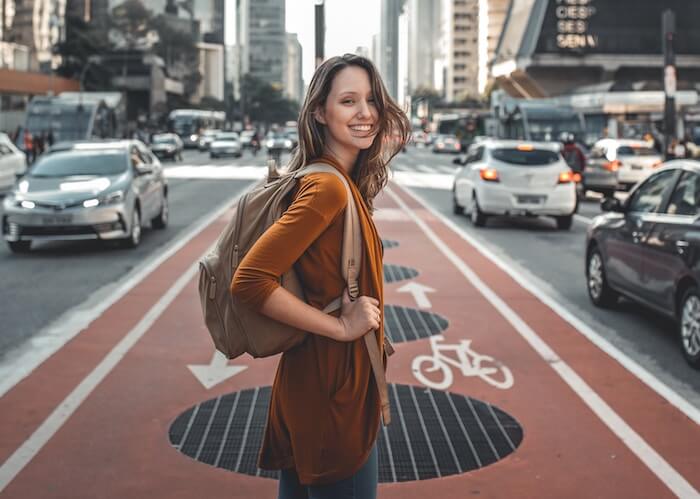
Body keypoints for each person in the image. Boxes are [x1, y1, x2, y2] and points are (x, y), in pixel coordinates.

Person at [230, 54, 410, 499]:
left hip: (310, 382)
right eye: (348, 100)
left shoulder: (335, 180)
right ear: (319, 112)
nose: (365, 113)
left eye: (371, 100)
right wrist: (341, 325)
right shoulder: (328, 186)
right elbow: (250, 280)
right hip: (334, 391)